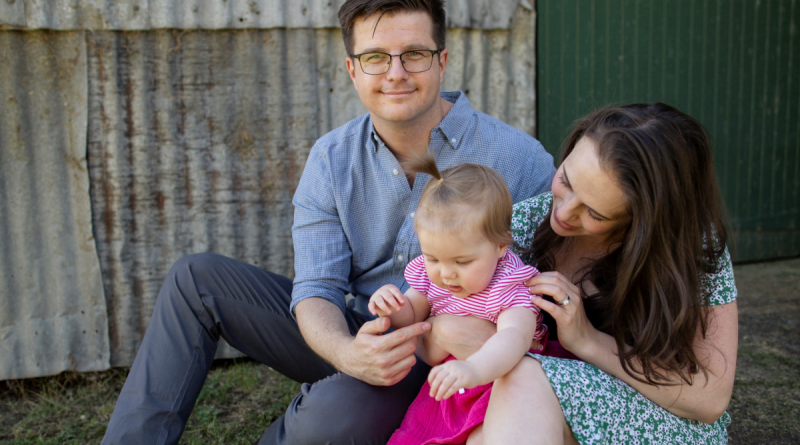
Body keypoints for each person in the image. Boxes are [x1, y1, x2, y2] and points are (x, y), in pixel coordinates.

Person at [100, 0, 555, 443]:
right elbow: (317, 287)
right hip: (361, 325)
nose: (396, 73)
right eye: (376, 57)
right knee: (195, 280)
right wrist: (348, 353)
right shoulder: (331, 158)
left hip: (447, 352)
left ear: (442, 61)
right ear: (353, 69)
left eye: (414, 54)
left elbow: (553, 289)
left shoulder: (519, 160)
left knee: (331, 421)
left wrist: (466, 335)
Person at [429, 103, 738, 444]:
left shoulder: (695, 247)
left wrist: (586, 339)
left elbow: (710, 400)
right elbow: (451, 325)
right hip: (539, 405)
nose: (562, 212)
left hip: (661, 418)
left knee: (524, 376)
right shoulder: (523, 225)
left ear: (643, 224)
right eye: (566, 180)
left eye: (593, 211)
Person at [366, 154, 547, 444]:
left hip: (498, 385)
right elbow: (413, 317)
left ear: (500, 247)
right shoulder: (432, 277)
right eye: (433, 258)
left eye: (462, 262)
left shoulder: (509, 286)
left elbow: (515, 338)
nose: (446, 274)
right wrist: (393, 305)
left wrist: (474, 368)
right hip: (449, 387)